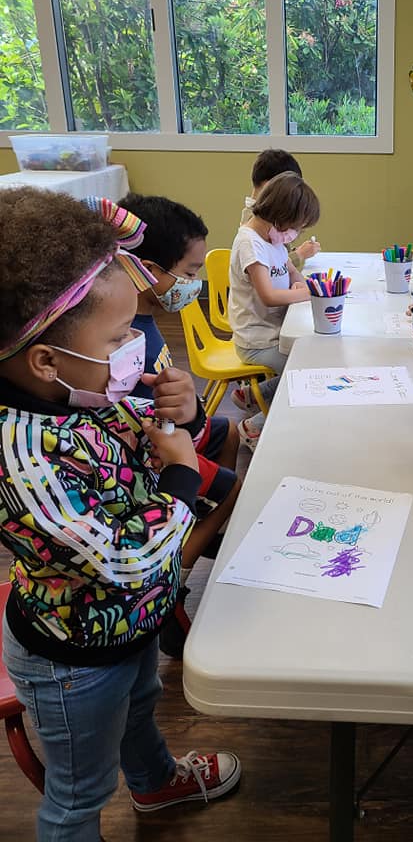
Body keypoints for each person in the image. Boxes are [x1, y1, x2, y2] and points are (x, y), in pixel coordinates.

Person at [0, 188, 240, 842]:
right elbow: (124, 560)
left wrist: (181, 413)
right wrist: (183, 477)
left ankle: (155, 783)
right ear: (46, 360)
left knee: (139, 708)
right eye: (118, 337)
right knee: (80, 793)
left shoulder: (77, 389)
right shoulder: (23, 458)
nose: (135, 346)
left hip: (128, 626)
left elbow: (135, 427)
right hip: (72, 657)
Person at [118, 192, 244, 657]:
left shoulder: (146, 318)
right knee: (231, 487)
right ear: (149, 270)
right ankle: (174, 578)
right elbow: (137, 425)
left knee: (229, 431)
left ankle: (195, 529)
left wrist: (192, 417)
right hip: (149, 454)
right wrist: (184, 437)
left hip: (173, 430)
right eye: (189, 273)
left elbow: (178, 413)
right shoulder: (123, 334)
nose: (194, 285)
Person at [229, 171, 320, 450]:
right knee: (308, 373)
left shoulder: (273, 239)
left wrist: (302, 284)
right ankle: (253, 427)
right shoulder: (250, 243)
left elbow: (292, 271)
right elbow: (268, 296)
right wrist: (307, 293)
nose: (295, 234)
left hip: (275, 333)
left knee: (314, 356)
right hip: (256, 341)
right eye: (296, 227)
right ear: (280, 216)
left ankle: (254, 394)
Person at [241, 149, 321, 268]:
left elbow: (278, 254)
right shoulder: (255, 223)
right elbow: (270, 266)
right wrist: (299, 254)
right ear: (272, 185)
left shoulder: (267, 215)